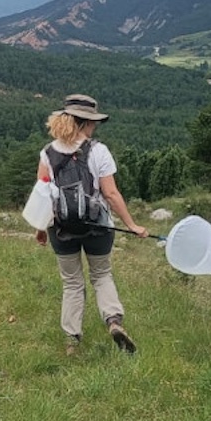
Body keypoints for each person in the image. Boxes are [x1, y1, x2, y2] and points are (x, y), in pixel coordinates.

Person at [34, 93, 148, 355]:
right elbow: (111, 194)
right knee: (101, 275)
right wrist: (132, 225)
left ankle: (72, 340)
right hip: (98, 226)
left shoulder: (48, 153)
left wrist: (40, 228)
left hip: (61, 228)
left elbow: (42, 193)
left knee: (72, 282)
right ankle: (113, 322)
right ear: (84, 123)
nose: (95, 127)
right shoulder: (99, 151)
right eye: (93, 122)